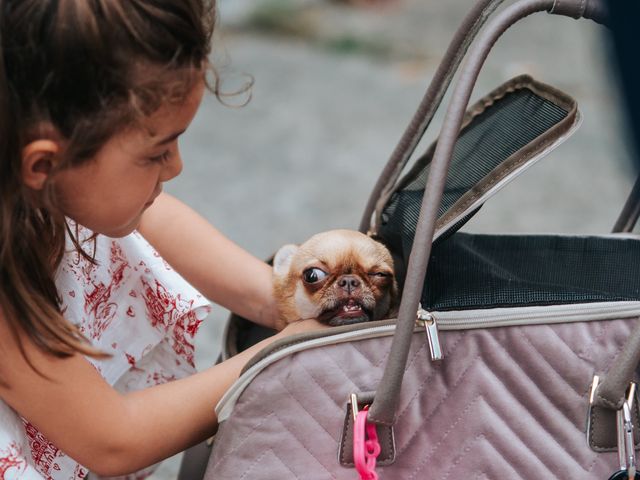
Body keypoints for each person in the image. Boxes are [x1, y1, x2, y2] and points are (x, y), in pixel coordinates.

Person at [0, 1, 323, 478]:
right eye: (157, 153)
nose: (176, 167)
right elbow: (114, 438)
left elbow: (160, 220)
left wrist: (285, 301)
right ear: (43, 164)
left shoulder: (46, 185)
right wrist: (285, 351)